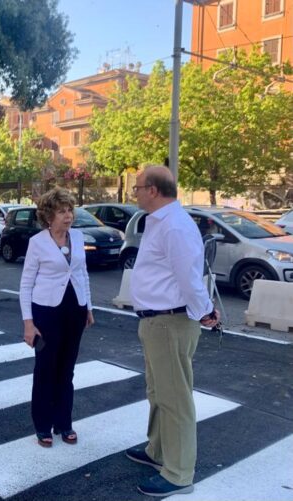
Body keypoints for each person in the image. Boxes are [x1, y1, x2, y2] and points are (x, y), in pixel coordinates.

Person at [127, 165, 220, 497]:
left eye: (136, 187)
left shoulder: (175, 226)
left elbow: (189, 278)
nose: (133, 192)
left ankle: (179, 473)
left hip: (170, 321)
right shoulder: (159, 222)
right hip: (155, 321)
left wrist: (206, 311)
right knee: (158, 392)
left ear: (153, 190)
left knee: (175, 398)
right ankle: (158, 452)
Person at [19, 187, 94, 448]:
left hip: (75, 310)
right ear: (49, 216)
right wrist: (28, 323)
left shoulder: (78, 235)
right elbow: (26, 284)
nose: (68, 216)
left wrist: (89, 307)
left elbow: (82, 274)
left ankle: (64, 422)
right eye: (62, 211)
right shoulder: (37, 242)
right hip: (46, 312)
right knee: (45, 369)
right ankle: (43, 425)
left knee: (67, 368)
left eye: (70, 210)